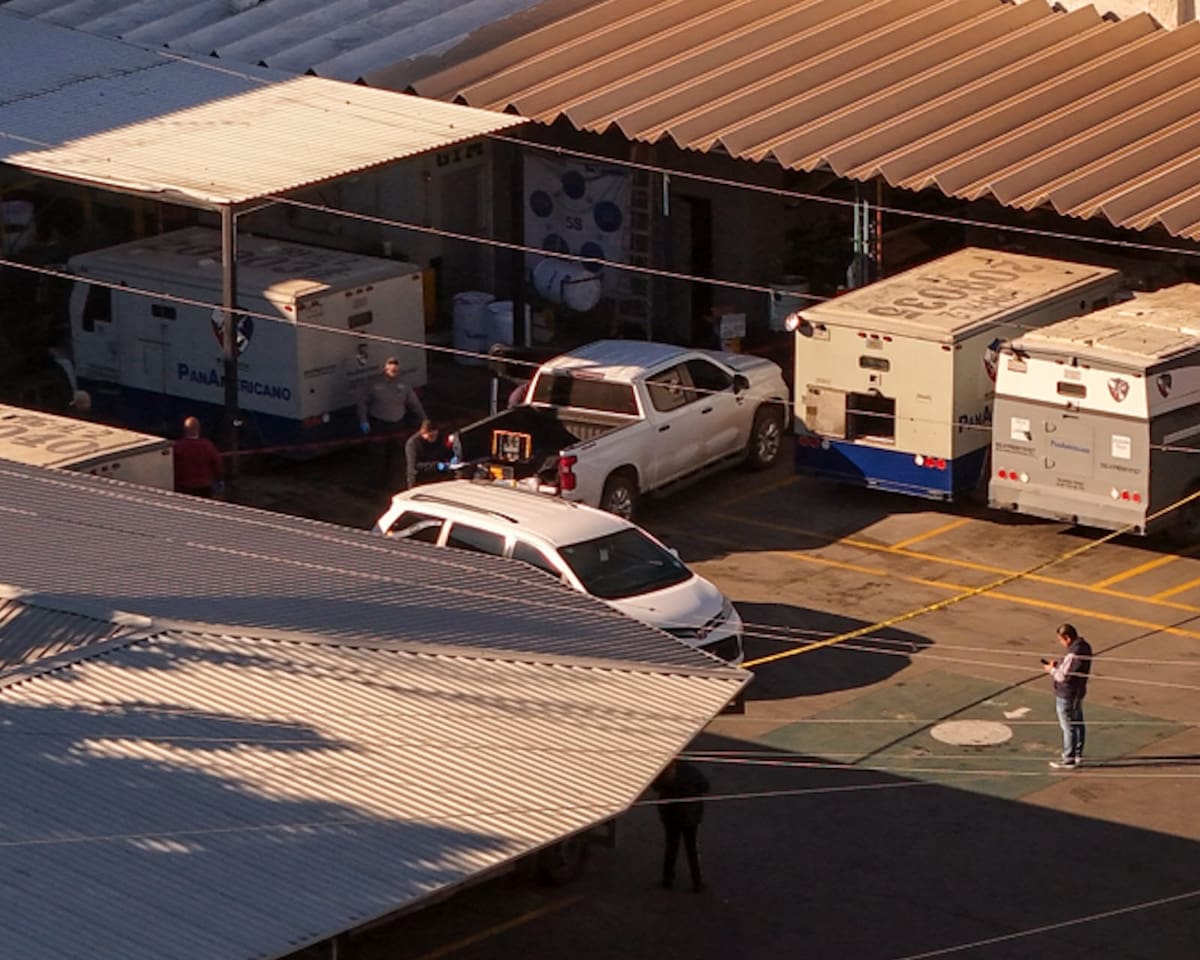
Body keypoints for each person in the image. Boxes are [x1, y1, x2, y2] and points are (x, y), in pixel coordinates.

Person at [357, 356, 427, 490]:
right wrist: (363, 420)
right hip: (379, 424)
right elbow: (362, 403)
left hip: (397, 423)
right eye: (391, 368)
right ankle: (376, 484)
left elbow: (414, 403)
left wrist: (424, 418)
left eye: (396, 369)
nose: (394, 371)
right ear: (385, 368)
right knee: (377, 456)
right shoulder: (374, 383)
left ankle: (393, 484)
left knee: (397, 455)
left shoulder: (404, 384)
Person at [652, 758, 709, 892]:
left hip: (670, 816)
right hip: (690, 816)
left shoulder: (663, 774)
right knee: (691, 848)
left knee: (671, 846)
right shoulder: (690, 771)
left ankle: (668, 878)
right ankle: (697, 881)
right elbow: (705, 786)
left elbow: (655, 787)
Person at [1043, 623, 1093, 769]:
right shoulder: (1085, 646)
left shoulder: (1073, 653)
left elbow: (1063, 676)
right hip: (1078, 692)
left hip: (1067, 694)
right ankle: (1077, 754)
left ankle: (1068, 758)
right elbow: (1071, 669)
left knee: (1068, 726)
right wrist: (1058, 666)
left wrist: (1051, 670)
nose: (1061, 643)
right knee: (1078, 722)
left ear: (1067, 638)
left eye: (1061, 639)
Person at [173, 416, 223, 498]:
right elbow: (218, 464)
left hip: (183, 486)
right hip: (204, 486)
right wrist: (219, 479)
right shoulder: (208, 446)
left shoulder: (177, 446)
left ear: (185, 430)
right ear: (198, 429)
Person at [404, 420, 454, 489]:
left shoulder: (439, 438)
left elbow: (444, 452)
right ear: (423, 433)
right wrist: (437, 465)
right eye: (430, 436)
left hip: (437, 478)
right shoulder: (413, 444)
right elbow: (415, 465)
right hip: (419, 480)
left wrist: (452, 458)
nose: (433, 439)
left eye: (435, 436)